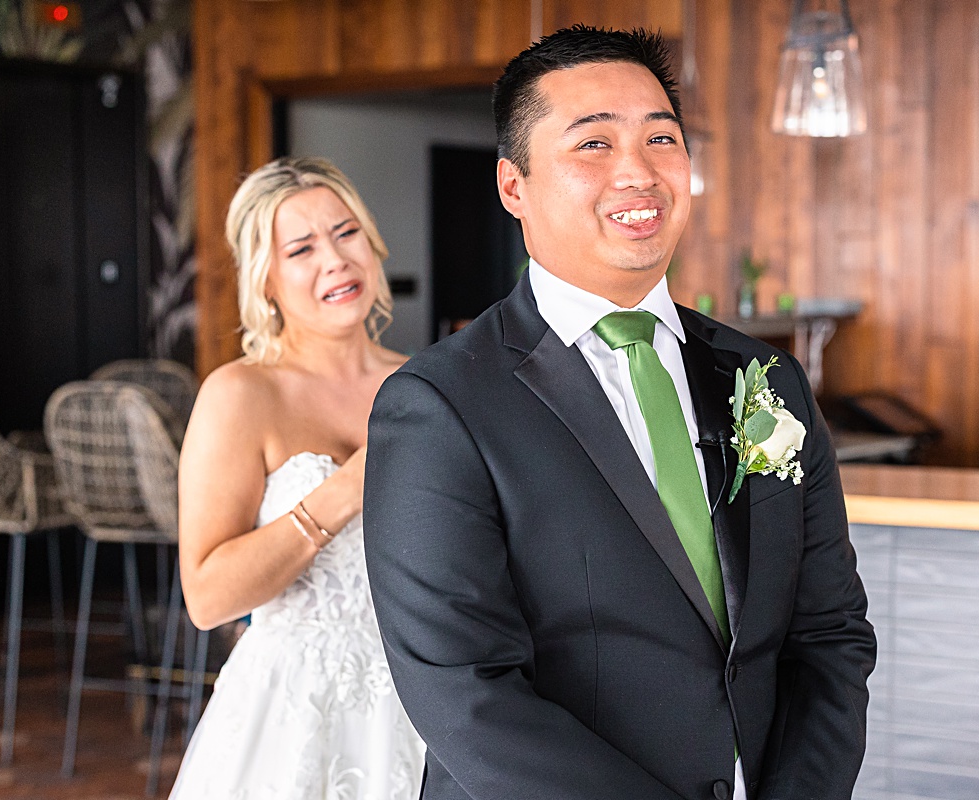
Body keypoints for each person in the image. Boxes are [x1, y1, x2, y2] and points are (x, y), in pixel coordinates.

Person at [363, 26, 876, 800]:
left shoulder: (765, 376)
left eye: (661, 138)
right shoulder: (439, 405)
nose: (638, 172)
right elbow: (466, 694)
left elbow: (828, 634)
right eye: (594, 144)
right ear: (514, 187)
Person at [170, 156, 425, 799]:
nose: (335, 261)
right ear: (268, 280)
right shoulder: (240, 395)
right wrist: (341, 494)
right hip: (290, 717)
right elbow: (207, 598)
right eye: (302, 249)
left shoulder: (429, 386)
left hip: (421, 706)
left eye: (346, 234)